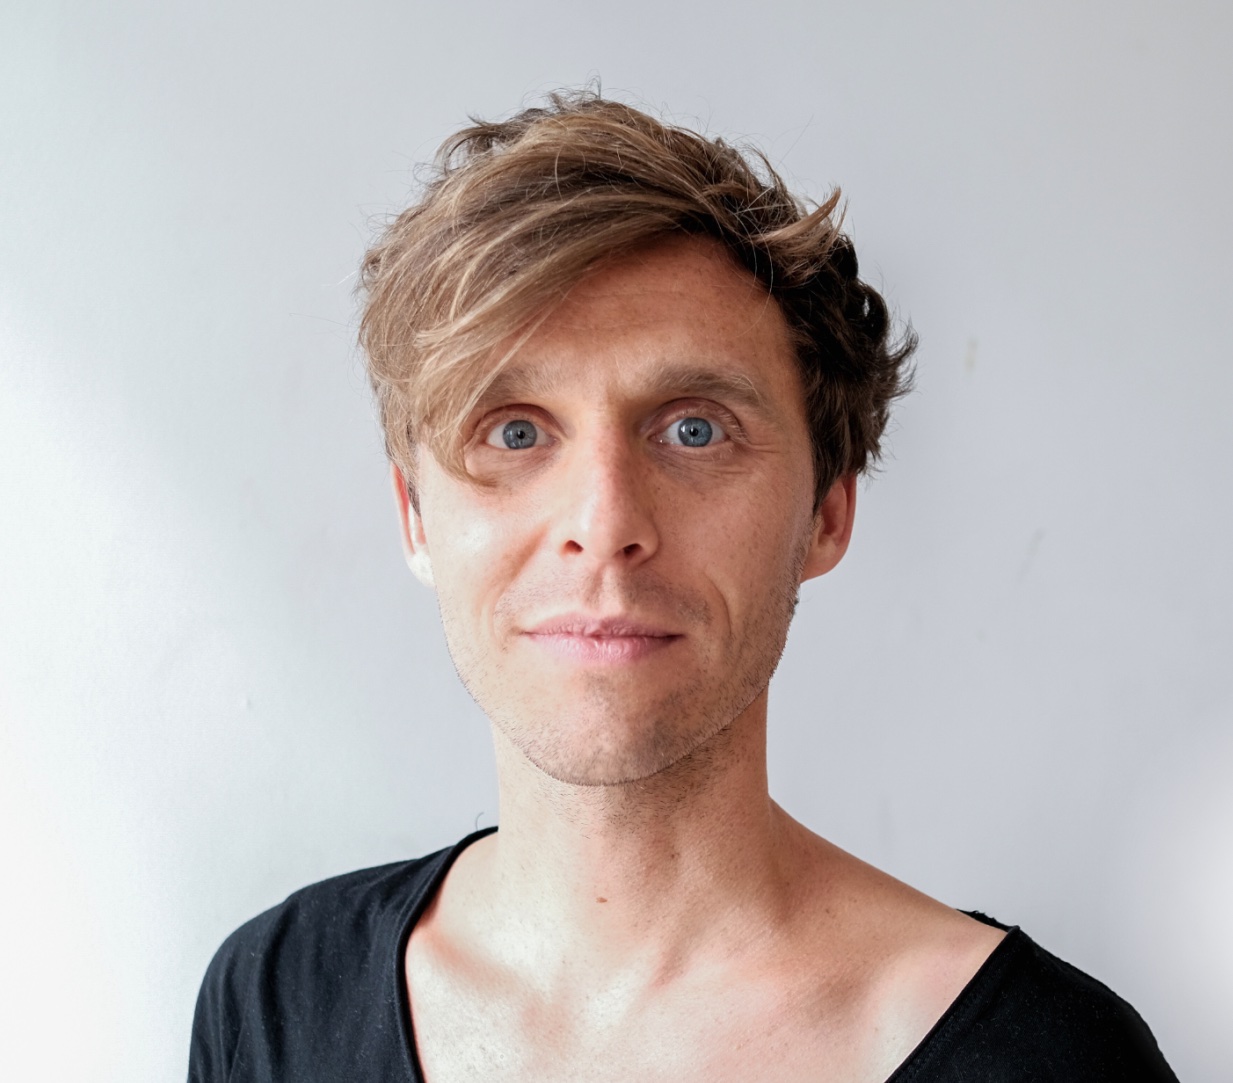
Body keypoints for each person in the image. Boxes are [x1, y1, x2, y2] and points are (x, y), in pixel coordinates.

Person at [188, 92, 1177, 1082]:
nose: (605, 524)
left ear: (827, 511)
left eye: (693, 429)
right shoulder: (275, 998)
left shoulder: (1054, 1060)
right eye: (515, 431)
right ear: (416, 515)